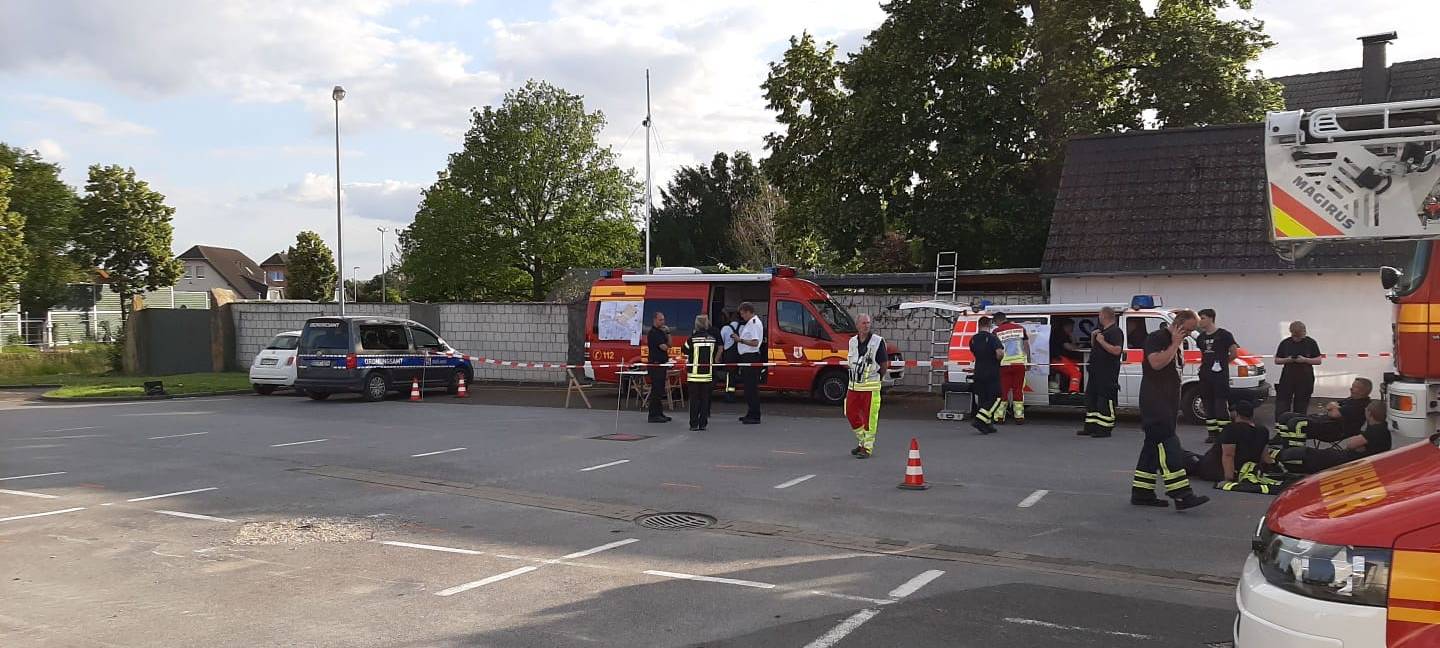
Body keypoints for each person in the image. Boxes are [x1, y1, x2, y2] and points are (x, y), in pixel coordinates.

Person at [1132, 309, 1209, 510]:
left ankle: (1141, 493)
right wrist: (1175, 344)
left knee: (1151, 449)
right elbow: (1156, 364)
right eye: (1188, 329)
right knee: (1170, 446)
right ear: (1178, 324)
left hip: (1168, 402)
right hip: (1155, 402)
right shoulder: (1157, 338)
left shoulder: (1178, 341)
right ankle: (1182, 494)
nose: (1189, 334)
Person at [1277, 401, 1392, 474]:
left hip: (1347, 460)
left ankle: (1284, 461)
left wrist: (1357, 445)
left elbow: (1351, 444)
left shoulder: (1376, 430)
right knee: (1307, 453)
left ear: (1369, 413)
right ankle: (1283, 458)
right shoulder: (1382, 429)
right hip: (1348, 458)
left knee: (1305, 454)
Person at [1274, 377, 1374, 448]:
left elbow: (1333, 414)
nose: (1351, 388)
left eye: (1355, 387)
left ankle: (1295, 452)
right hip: (1322, 421)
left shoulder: (1360, 405)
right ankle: (1283, 443)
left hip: (1333, 430)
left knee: (1295, 423)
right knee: (1285, 416)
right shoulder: (1351, 399)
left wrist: (1334, 408)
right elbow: (1329, 405)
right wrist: (1335, 408)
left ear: (1363, 391)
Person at [1214, 401, 1282, 494]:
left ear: (1236, 414)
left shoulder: (1231, 429)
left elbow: (1228, 455)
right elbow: (1265, 456)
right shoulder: (1262, 430)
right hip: (1248, 470)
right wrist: (1273, 471)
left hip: (1219, 469)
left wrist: (1228, 479)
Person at [1079, 306, 1125, 438]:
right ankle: (1091, 427)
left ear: (1104, 316)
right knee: (1091, 400)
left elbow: (1116, 350)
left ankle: (1105, 429)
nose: (1098, 318)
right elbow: (1097, 348)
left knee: (1105, 401)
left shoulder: (1115, 331)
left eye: (1100, 315)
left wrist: (1102, 341)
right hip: (1096, 373)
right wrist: (1094, 337)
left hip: (1107, 374)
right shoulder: (1102, 331)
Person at [845, 313, 886, 458]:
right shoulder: (852, 342)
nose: (866, 325)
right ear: (857, 325)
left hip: (870, 387)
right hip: (854, 386)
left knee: (870, 419)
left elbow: (883, 364)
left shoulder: (877, 341)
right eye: (863, 323)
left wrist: (878, 379)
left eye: (868, 323)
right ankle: (862, 441)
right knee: (850, 413)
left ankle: (867, 448)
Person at [1195, 308, 1238, 444]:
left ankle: (1224, 434)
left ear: (1211, 318)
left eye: (1202, 318)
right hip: (1205, 375)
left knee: (1220, 405)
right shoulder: (1201, 338)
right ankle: (1212, 434)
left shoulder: (1224, 335)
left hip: (1220, 376)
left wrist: (1223, 364)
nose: (1200, 321)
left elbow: (1234, 353)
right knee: (1207, 404)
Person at [1274, 321, 1322, 416]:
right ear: (1292, 333)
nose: (1302, 335)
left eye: (1303, 332)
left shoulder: (1311, 343)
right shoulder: (1285, 343)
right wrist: (1288, 359)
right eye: (1299, 334)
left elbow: (1318, 360)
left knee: (1301, 406)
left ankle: (1299, 422)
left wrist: (1305, 360)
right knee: (1282, 405)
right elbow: (1277, 360)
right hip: (1287, 378)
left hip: (1305, 379)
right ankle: (1282, 422)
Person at [682, 314, 719, 431]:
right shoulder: (712, 339)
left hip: (694, 375)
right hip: (707, 375)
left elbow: (684, 350)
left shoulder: (691, 339)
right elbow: (715, 352)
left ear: (696, 325)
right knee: (704, 400)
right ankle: (703, 424)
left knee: (694, 401)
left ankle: (693, 424)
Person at [992, 312, 1030, 424]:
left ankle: (1000, 417)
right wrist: (1028, 362)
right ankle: (1019, 416)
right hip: (1019, 364)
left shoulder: (996, 331)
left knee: (1003, 390)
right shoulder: (1020, 328)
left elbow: (995, 350)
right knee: (1018, 390)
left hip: (1004, 365)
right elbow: (1026, 346)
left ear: (998, 320)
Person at [969, 316, 1004, 435]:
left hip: (978, 371)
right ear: (989, 325)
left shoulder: (973, 339)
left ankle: (987, 424)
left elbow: (974, 352)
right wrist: (997, 359)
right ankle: (980, 420)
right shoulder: (992, 338)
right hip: (992, 372)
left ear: (979, 325)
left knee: (983, 399)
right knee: (996, 398)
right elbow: (999, 353)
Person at [735, 302, 764, 424]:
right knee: (748, 388)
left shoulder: (753, 323)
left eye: (742, 314)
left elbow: (755, 342)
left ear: (748, 312)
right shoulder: (752, 323)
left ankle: (755, 415)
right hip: (748, 357)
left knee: (751, 388)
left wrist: (740, 340)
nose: (742, 316)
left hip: (750, 357)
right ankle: (750, 413)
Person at [646, 311, 672, 423]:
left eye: (663, 320)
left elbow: (670, 345)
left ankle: (659, 413)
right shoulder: (653, 333)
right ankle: (653, 415)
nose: (663, 322)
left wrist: (668, 333)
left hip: (662, 364)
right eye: (660, 320)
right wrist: (666, 345)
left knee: (660, 390)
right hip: (655, 364)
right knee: (656, 390)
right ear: (655, 320)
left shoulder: (661, 332)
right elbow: (664, 347)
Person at [1050, 319, 1083, 393]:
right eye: (1071, 327)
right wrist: (1078, 347)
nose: (1072, 329)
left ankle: (1068, 387)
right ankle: (1073, 391)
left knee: (1079, 365)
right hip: (1057, 359)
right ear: (1066, 326)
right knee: (1075, 373)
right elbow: (1069, 347)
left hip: (1061, 358)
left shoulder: (1064, 334)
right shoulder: (1060, 334)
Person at [718, 310, 740, 403]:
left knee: (729, 374)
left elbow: (720, 343)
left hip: (729, 355)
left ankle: (729, 395)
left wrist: (718, 356)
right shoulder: (743, 327)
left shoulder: (725, 328)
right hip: (740, 354)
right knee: (738, 373)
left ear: (731, 319)